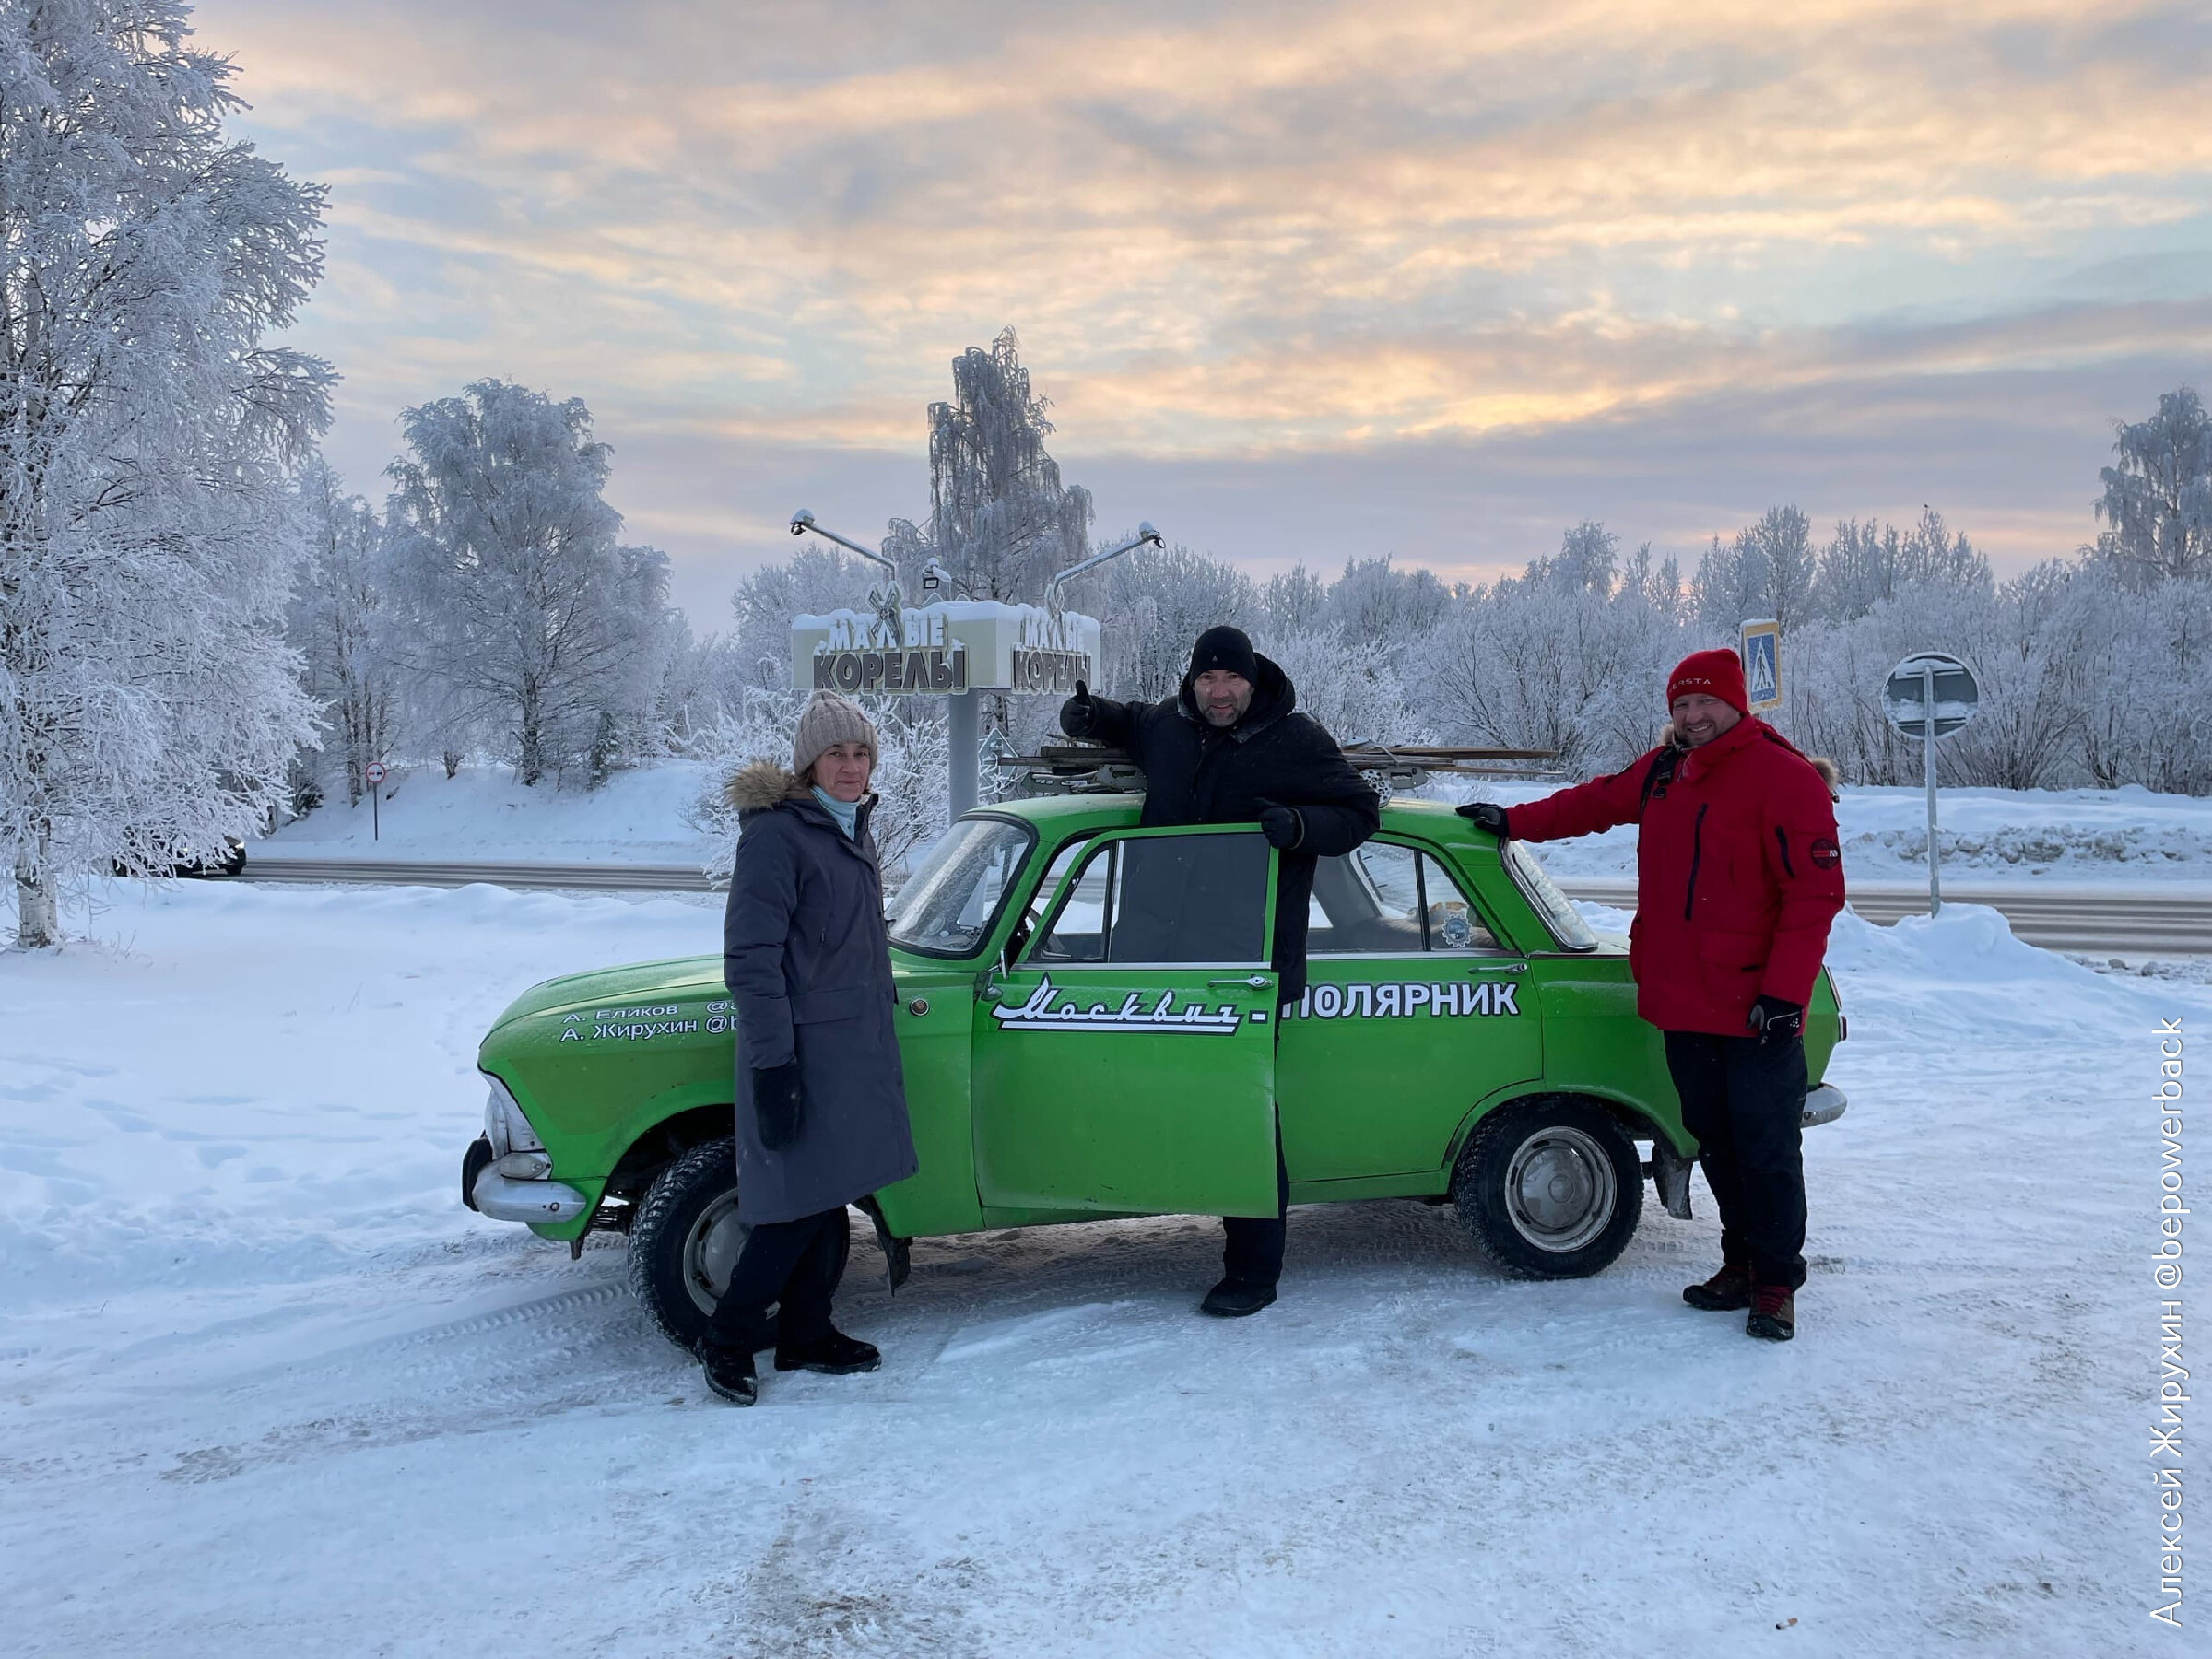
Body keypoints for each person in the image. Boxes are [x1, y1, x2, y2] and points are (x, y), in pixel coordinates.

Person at [1458, 648, 1843, 1342]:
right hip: (1683, 1002)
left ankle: (1777, 1282)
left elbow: (1814, 897)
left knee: (1766, 1149)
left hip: (1757, 1009)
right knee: (1717, 1144)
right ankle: (1739, 1263)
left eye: (1706, 704)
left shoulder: (1785, 779)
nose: (1693, 718)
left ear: (1736, 705)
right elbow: (1596, 801)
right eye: (1681, 706)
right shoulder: (1665, 770)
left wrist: (1785, 995)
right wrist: (1512, 821)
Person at [1060, 625, 1381, 1318]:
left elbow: (1360, 813)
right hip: (1151, 957)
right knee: (1151, 1095)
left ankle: (1253, 1272)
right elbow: (1126, 722)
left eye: (1230, 679)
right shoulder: (1169, 729)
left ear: (1253, 681)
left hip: (1244, 965)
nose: (1219, 691)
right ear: (1193, 684)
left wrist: (1297, 826)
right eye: (1207, 680)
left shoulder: (1297, 740)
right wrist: (1087, 719)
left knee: (1243, 1115)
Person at [697, 690, 920, 1405]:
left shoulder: (848, 825)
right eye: (836, 754)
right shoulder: (777, 834)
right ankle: (728, 1337)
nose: (851, 766)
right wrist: (773, 1063)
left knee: (827, 1196)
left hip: (851, 1046)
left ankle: (805, 1332)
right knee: (793, 1205)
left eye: (861, 753)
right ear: (808, 763)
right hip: (799, 1051)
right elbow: (752, 960)